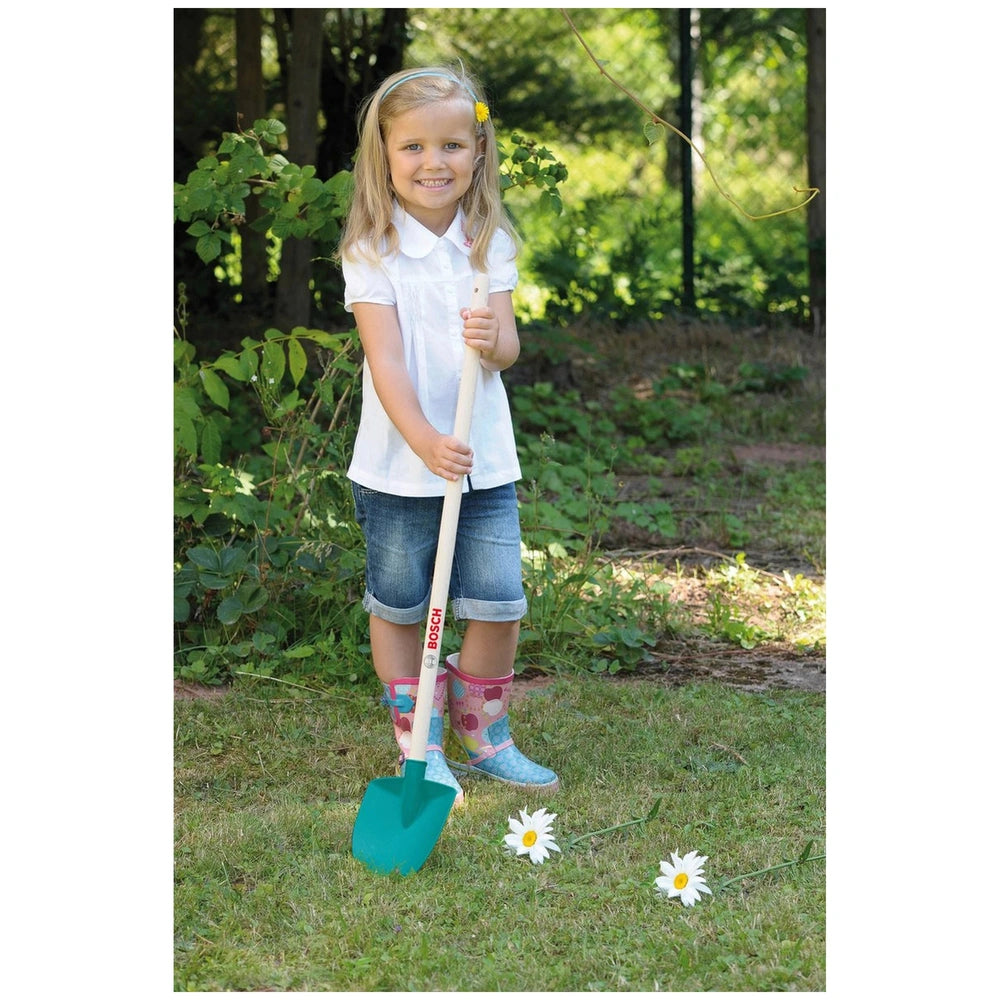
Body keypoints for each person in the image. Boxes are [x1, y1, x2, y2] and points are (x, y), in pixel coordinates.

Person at [336, 65, 559, 807]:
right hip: (403, 464)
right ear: (385, 156)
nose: (435, 163)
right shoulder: (374, 250)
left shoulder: (486, 243)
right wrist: (426, 439)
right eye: (415, 148)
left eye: (454, 145)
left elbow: (509, 353)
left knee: (498, 601)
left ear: (478, 152)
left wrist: (494, 336)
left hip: (483, 461)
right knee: (400, 601)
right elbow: (386, 361)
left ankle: (484, 734)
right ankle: (420, 744)